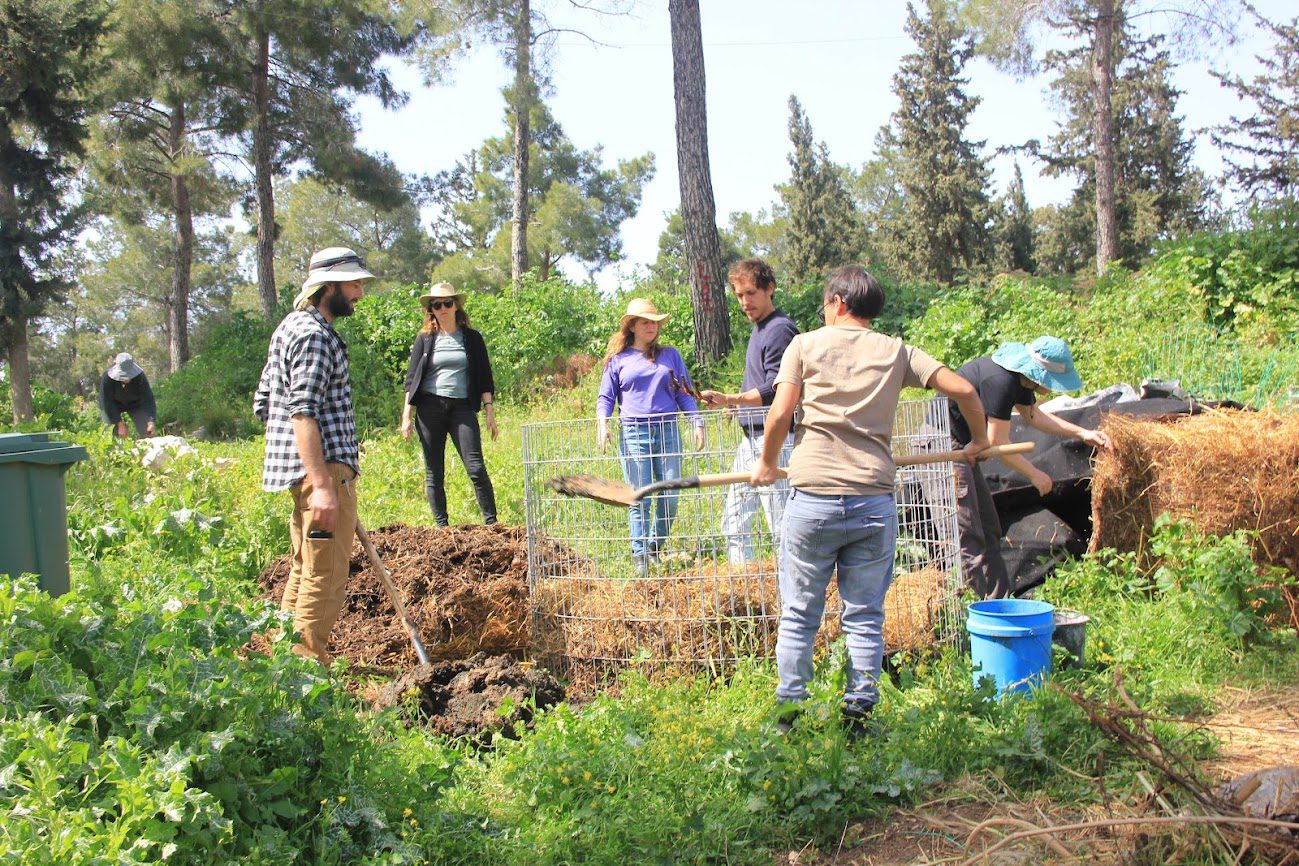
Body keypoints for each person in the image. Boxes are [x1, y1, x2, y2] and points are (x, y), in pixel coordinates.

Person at [751, 266, 990, 739]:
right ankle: (859, 716)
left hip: (813, 497)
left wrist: (766, 463)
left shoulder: (805, 345)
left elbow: (781, 412)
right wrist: (979, 440)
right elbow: (963, 388)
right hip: (872, 501)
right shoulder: (897, 352)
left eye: (824, 303)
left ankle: (790, 716)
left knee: (800, 612)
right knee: (864, 614)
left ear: (838, 301)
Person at [253, 246, 374, 665]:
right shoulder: (315, 337)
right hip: (323, 473)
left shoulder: (288, 328)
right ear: (329, 286)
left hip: (303, 473)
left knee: (305, 568)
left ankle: (281, 665)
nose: (360, 292)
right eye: (354, 283)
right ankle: (306, 675)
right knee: (325, 576)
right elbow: (302, 409)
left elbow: (263, 402)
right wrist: (322, 483)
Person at [938, 335, 1112, 600]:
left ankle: (999, 602)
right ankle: (974, 610)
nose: (1054, 390)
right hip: (944, 445)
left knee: (989, 527)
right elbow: (998, 441)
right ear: (1039, 375)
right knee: (969, 532)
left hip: (965, 445)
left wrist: (1082, 433)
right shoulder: (1002, 381)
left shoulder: (1019, 381)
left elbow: (1034, 416)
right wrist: (1034, 474)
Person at [699, 258, 798, 564]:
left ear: (770, 289)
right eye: (739, 295)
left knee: (781, 522)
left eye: (751, 293)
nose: (744, 302)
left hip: (775, 440)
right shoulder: (760, 329)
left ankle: (789, 591)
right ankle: (742, 587)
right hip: (750, 438)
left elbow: (776, 387)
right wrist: (735, 407)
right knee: (735, 519)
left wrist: (732, 399)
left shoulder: (780, 329)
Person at [597, 298, 706, 569]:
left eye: (654, 322)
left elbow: (684, 393)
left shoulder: (670, 355)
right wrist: (603, 424)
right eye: (645, 322)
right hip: (634, 433)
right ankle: (639, 555)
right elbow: (606, 397)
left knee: (670, 494)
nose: (651, 327)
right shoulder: (618, 361)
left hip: (668, 430)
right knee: (639, 495)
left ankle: (654, 547)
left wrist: (696, 422)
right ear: (632, 326)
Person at [400, 282, 499, 527]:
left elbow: (485, 376)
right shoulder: (424, 339)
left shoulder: (472, 338)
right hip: (429, 409)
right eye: (437, 305)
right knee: (435, 471)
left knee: (475, 467)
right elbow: (411, 379)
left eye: (447, 303)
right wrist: (406, 416)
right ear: (431, 310)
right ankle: (442, 527)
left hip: (462, 408)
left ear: (456, 305)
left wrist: (489, 412)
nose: (442, 308)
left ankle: (492, 523)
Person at [99, 353, 156, 438]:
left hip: (134, 404)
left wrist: (150, 420)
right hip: (113, 405)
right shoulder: (107, 378)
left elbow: (148, 398)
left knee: (146, 431)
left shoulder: (140, 377)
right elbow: (107, 402)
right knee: (113, 433)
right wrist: (120, 424)